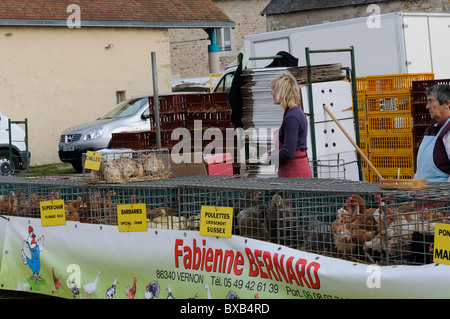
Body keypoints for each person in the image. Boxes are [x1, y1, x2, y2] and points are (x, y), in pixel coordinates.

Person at [262, 71, 311, 178]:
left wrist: (269, 158)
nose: (271, 93)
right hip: (296, 170)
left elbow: (288, 152)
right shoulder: (294, 112)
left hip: (294, 174)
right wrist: (273, 152)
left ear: (281, 92)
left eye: (273, 90)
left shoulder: (292, 118)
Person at [415, 84, 450, 182]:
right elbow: (421, 170)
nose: (427, 106)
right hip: (425, 194)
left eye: (431, 101)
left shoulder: (448, 130)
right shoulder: (431, 129)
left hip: (441, 194)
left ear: (447, 104)